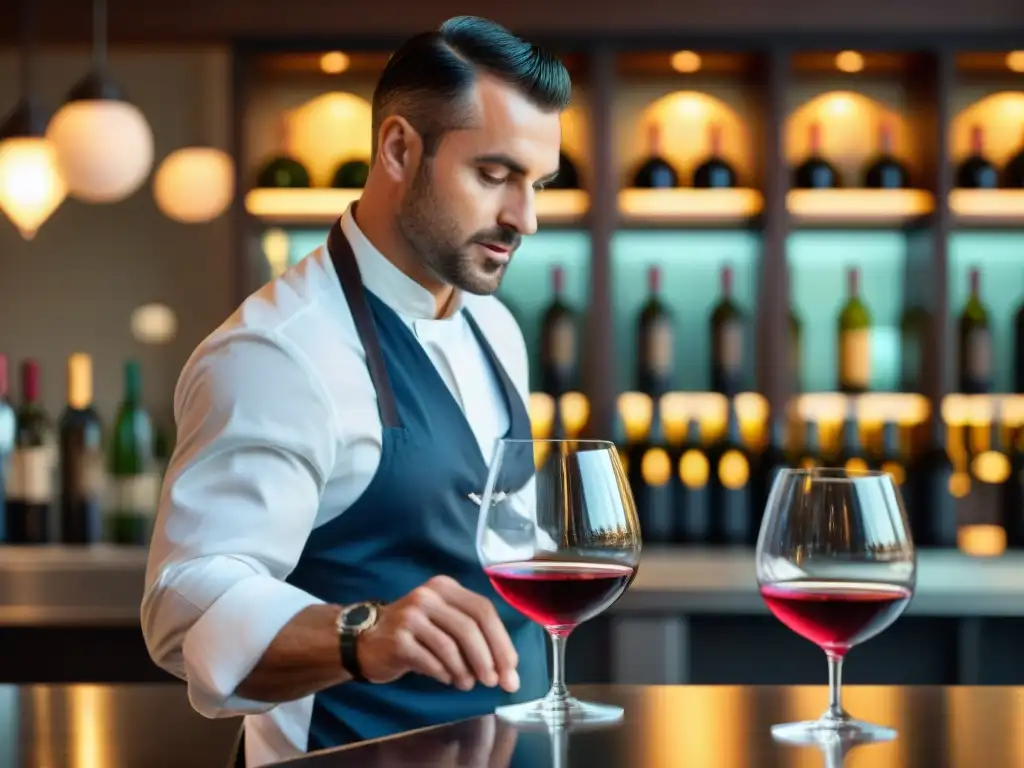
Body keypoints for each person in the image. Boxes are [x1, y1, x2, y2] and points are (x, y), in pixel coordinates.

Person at [140, 15, 571, 768]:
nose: (524, 218)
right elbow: (187, 602)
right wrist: (360, 634)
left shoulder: (493, 327)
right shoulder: (278, 352)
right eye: (495, 175)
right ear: (399, 149)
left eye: (537, 185)